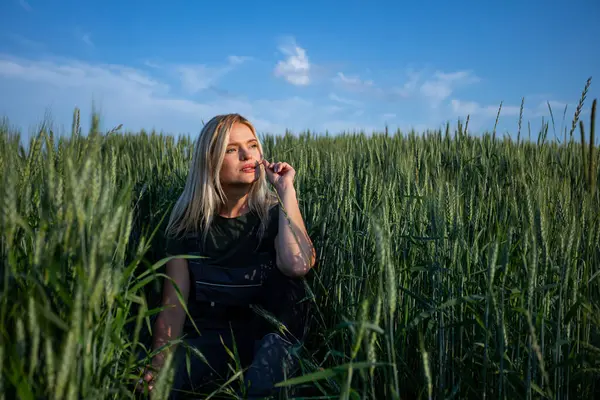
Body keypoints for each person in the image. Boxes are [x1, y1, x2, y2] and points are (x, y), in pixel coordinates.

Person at [136, 113, 316, 399]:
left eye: (253, 145)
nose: (247, 155)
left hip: (272, 336)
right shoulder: (187, 225)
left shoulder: (274, 213)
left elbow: (297, 265)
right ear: (210, 162)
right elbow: (174, 307)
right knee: (164, 386)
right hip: (214, 336)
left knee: (261, 387)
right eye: (232, 149)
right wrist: (159, 363)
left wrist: (285, 190)